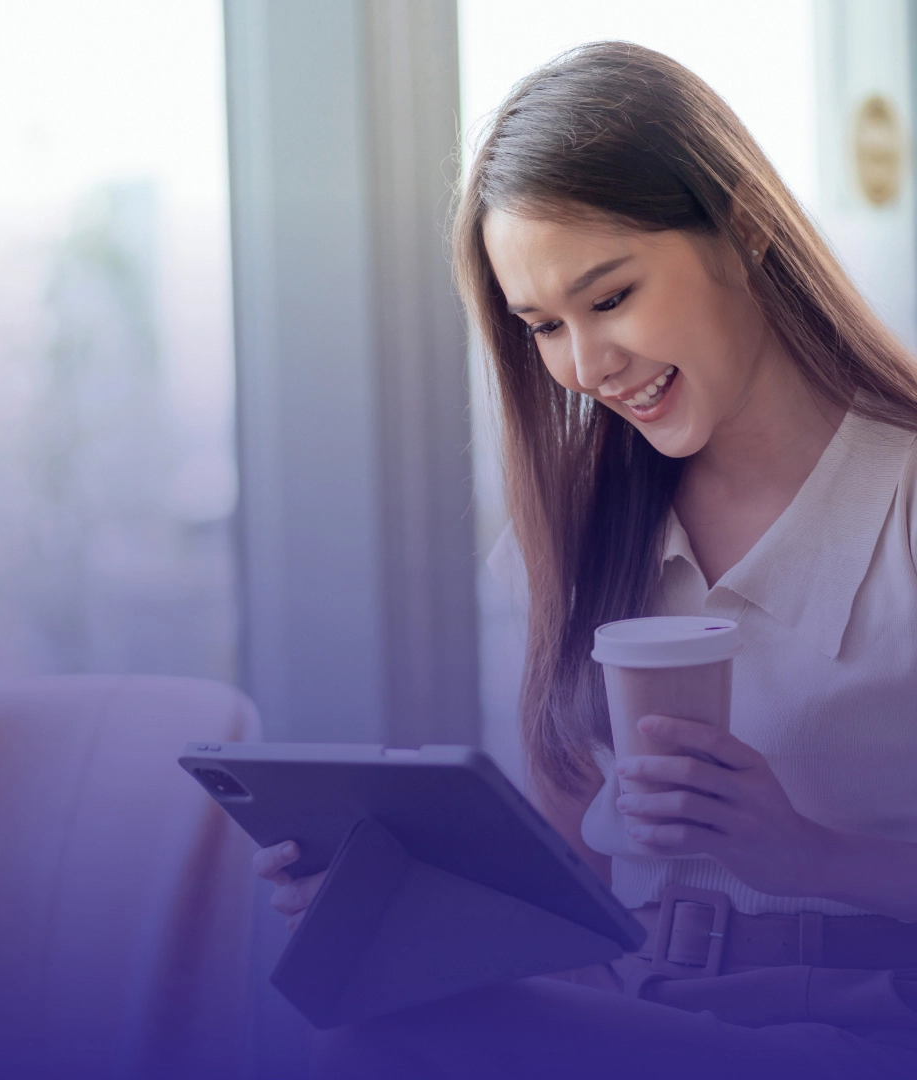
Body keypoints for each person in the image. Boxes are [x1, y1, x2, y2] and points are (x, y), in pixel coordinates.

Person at [253, 42, 917, 1077]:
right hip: (640, 1002)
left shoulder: (902, 492)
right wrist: (402, 902)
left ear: (742, 226)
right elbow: (577, 879)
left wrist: (812, 857)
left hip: (860, 1017)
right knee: (365, 1030)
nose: (587, 367)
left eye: (610, 299)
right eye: (543, 328)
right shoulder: (573, 537)